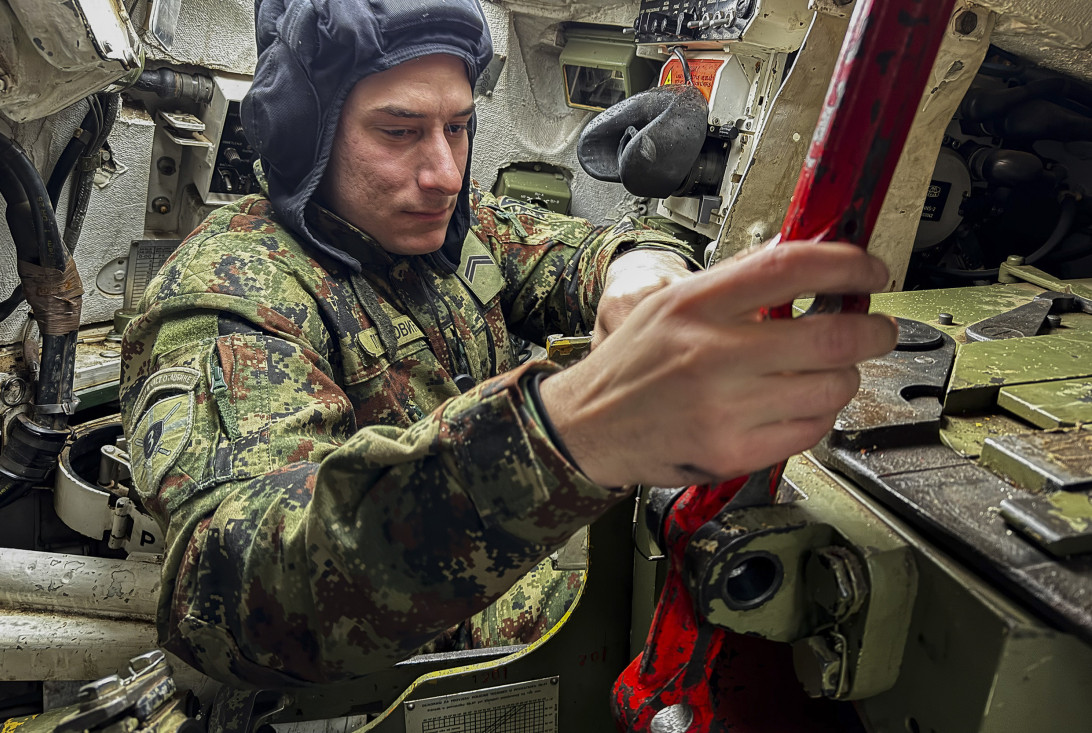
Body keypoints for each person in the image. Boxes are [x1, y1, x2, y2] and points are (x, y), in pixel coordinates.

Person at [119, 0, 897, 689]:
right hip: (403, 683)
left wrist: (643, 270)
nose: (446, 172)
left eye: (458, 128)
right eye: (399, 132)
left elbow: (590, 249)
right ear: (299, 136)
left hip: (535, 619)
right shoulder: (231, 290)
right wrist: (571, 435)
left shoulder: (456, 230)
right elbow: (231, 596)